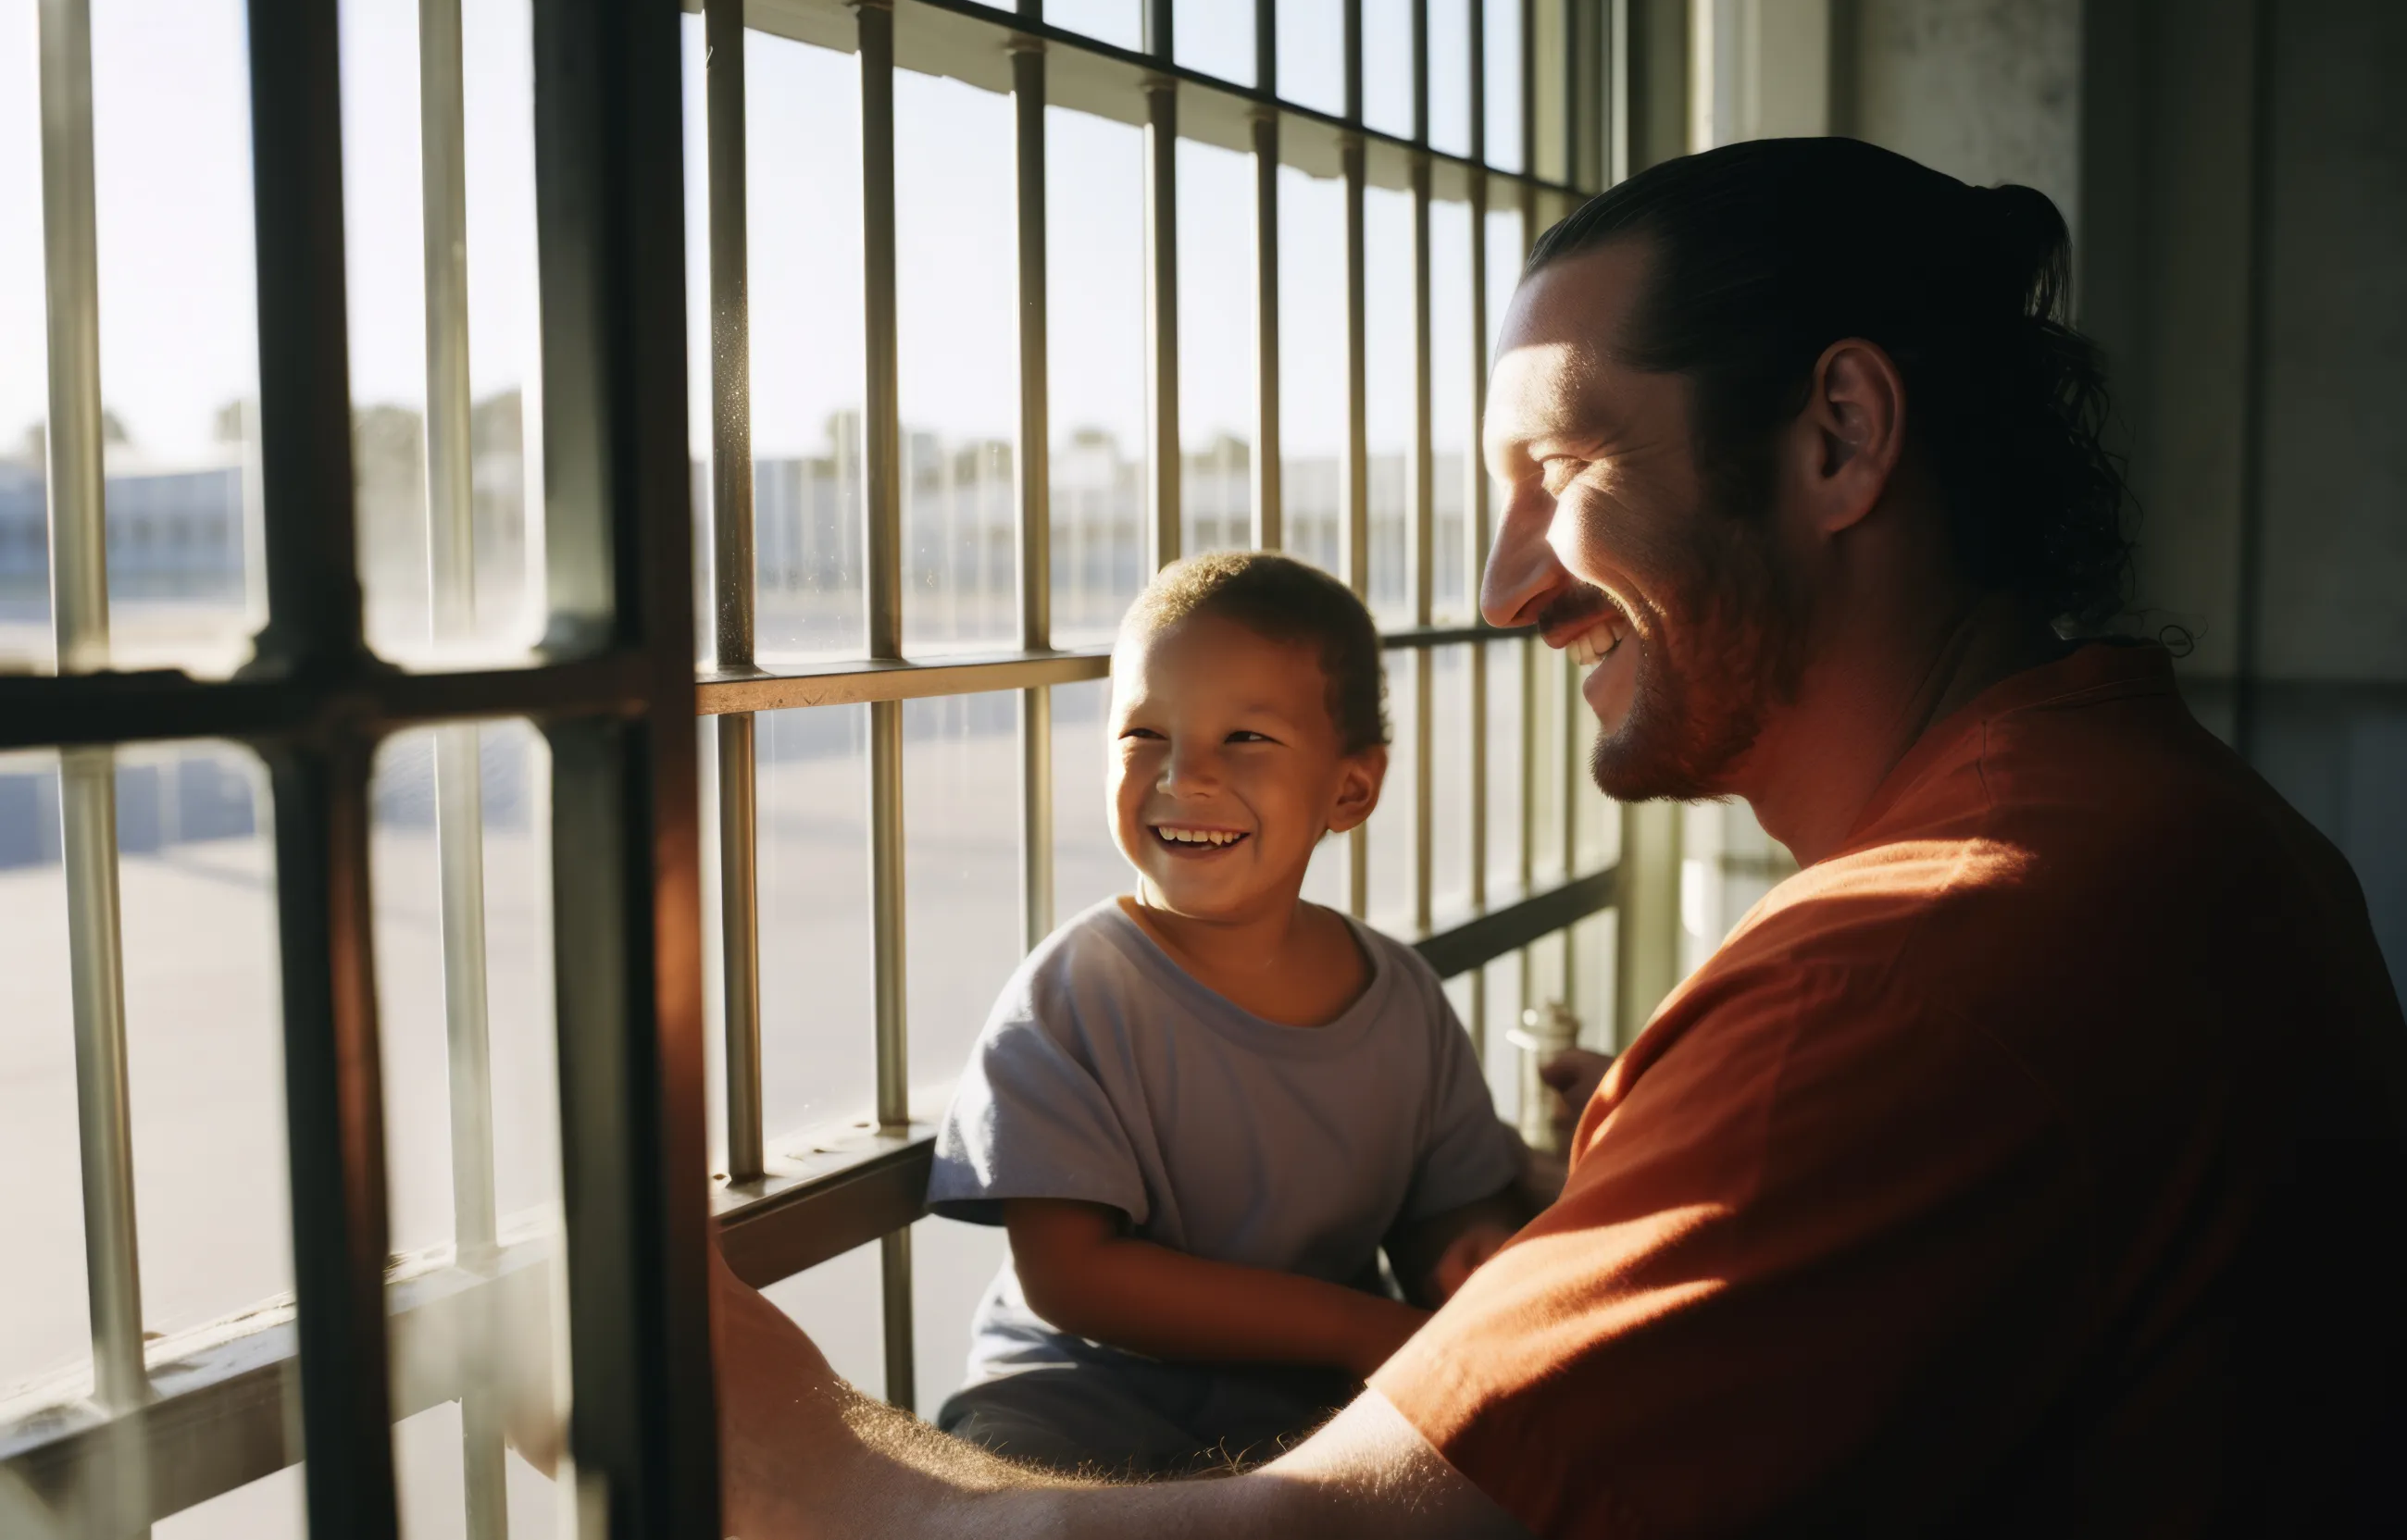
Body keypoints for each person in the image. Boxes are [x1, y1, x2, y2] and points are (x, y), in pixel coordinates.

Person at [709, 138, 2407, 1538]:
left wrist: (749, 1412)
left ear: (1841, 436)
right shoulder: (2170, 830)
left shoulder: (1920, 970)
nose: (1504, 585)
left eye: (1566, 464)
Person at [922, 552, 1530, 1475]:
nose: (1184, 776)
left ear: (1349, 788)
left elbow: (1440, 1217)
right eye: (1143, 735)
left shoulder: (1399, 998)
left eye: (1244, 738)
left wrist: (1468, 1254)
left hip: (1315, 1402)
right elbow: (1068, 1276)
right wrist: (1350, 1325)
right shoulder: (1075, 991)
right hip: (1079, 1396)